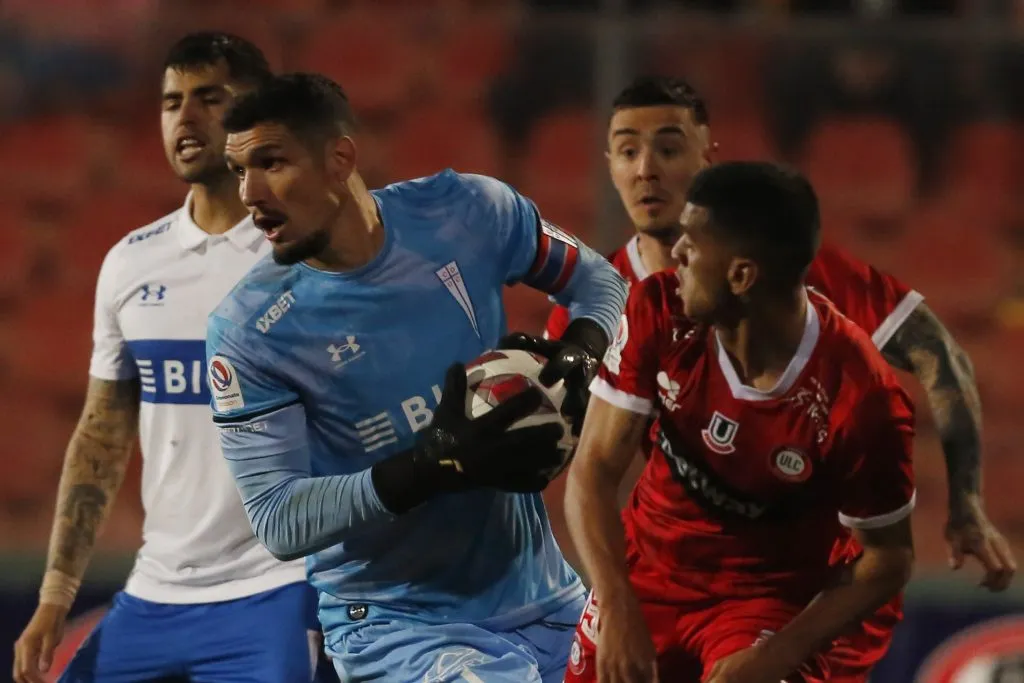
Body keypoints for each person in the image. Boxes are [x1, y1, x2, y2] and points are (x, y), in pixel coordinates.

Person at [206, 72, 628, 682]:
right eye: (238, 169)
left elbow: (599, 281)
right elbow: (278, 517)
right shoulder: (249, 332)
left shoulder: (467, 212)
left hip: (543, 595)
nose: (249, 192)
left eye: (270, 162)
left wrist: (582, 356)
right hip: (396, 622)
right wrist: (427, 469)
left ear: (339, 158)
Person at [545, 76, 1016, 596]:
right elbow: (568, 458)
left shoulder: (793, 275)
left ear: (706, 155)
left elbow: (939, 354)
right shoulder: (594, 307)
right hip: (681, 575)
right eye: (627, 151)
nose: (646, 169)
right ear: (608, 163)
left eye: (669, 148)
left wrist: (966, 501)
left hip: (802, 575)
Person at [13, 33, 324, 683]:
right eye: (171, 101)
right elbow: (101, 434)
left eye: (211, 99)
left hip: (276, 589)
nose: (185, 118)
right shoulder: (132, 261)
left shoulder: (308, 260)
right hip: (155, 591)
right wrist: (54, 595)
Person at [564, 161, 917, 683]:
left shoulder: (859, 396)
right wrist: (615, 603)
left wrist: (784, 650)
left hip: (768, 600)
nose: (675, 254)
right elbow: (592, 470)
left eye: (691, 244)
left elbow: (888, 559)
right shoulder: (658, 309)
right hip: (646, 576)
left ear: (742, 275)